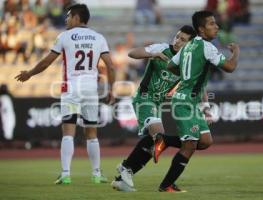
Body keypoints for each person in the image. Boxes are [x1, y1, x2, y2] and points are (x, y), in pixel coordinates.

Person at [15, 4, 115, 185]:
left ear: (77, 17)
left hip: (71, 89)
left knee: (68, 132)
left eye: (69, 16)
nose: (66, 19)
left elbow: (46, 62)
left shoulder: (65, 36)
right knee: (92, 133)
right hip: (90, 90)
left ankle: (66, 174)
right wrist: (112, 90)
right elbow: (111, 65)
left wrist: (29, 73)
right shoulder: (99, 38)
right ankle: (97, 174)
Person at [111, 25, 204, 192]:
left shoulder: (188, 62)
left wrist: (205, 106)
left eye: (183, 40)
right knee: (159, 136)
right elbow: (132, 53)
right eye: (177, 37)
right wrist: (151, 54)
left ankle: (124, 175)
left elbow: (199, 85)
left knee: (154, 141)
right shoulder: (161, 48)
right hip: (144, 99)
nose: (177, 41)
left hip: (158, 104)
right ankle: (126, 168)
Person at [154, 10, 240, 192]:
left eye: (216, 23)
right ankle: (166, 185)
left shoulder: (188, 46)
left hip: (190, 102)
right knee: (190, 145)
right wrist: (236, 52)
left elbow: (170, 65)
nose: (216, 27)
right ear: (201, 29)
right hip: (184, 103)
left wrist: (186, 74)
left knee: (205, 141)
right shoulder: (207, 47)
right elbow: (230, 67)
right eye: (211, 24)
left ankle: (166, 140)